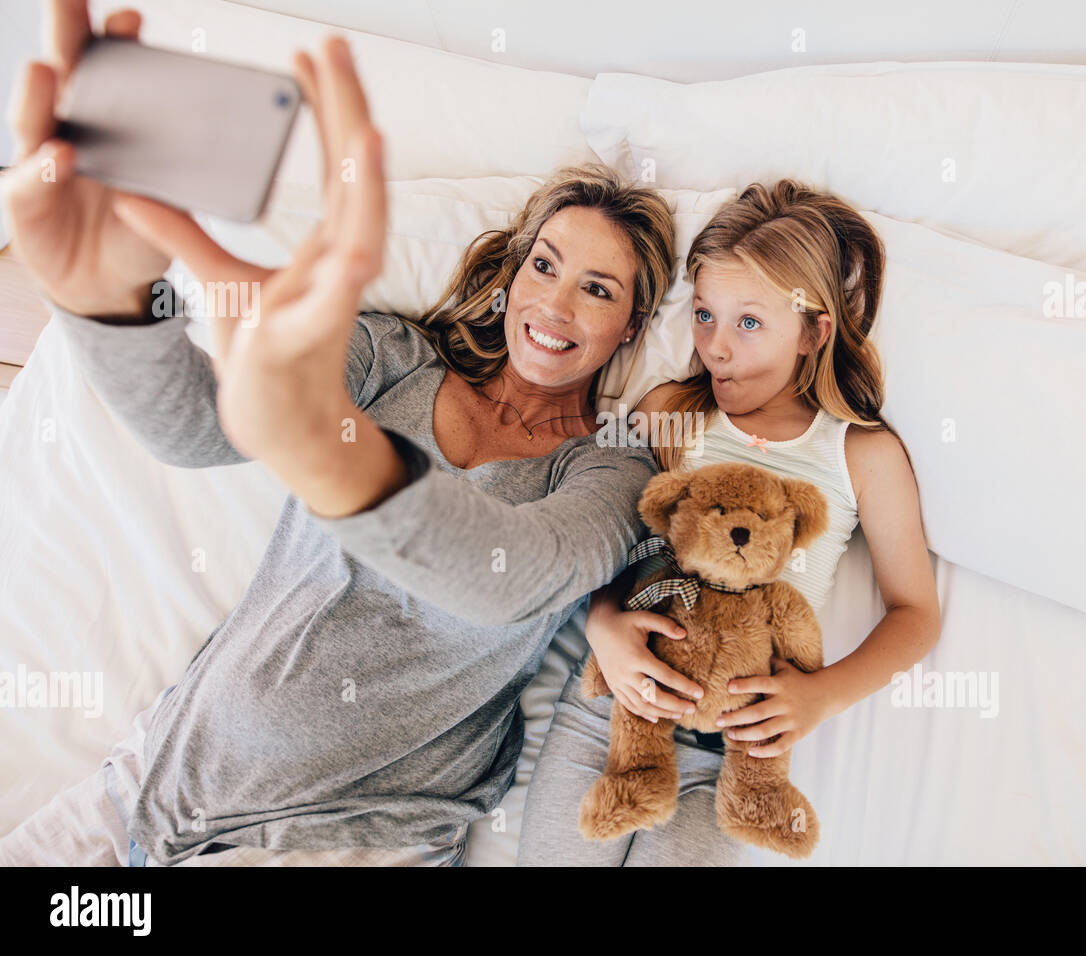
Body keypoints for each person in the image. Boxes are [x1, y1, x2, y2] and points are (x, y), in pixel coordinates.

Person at [0, 1, 675, 866]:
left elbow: (515, 575)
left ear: (631, 327)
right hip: (144, 791)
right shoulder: (392, 358)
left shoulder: (611, 472)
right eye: (544, 265)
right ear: (510, 277)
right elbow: (202, 428)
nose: (554, 303)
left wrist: (329, 448)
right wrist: (111, 309)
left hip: (345, 843)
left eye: (599, 288)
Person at [518, 180, 942, 865]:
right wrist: (604, 627)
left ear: (813, 331)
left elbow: (916, 611)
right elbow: (607, 541)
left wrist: (820, 698)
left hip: (734, 751)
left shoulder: (859, 453)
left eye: (749, 323)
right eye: (705, 315)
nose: (716, 348)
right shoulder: (668, 414)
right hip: (611, 715)